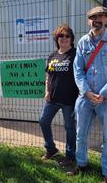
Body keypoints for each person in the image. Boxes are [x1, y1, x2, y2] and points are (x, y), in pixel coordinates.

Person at [71, 6, 107, 182]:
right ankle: (81, 164)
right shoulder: (82, 42)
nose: (97, 19)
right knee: (81, 134)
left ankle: (106, 172)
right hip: (85, 98)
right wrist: (86, 92)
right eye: (93, 16)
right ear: (89, 20)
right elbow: (77, 71)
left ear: (106, 19)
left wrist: (103, 93)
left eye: (101, 16)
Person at [39, 23, 79, 165]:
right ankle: (51, 149)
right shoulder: (52, 56)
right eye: (60, 36)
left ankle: (70, 156)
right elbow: (48, 76)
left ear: (71, 39)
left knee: (69, 127)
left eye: (67, 36)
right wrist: (47, 91)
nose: (63, 38)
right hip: (53, 98)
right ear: (56, 39)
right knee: (43, 121)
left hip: (70, 99)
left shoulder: (75, 54)